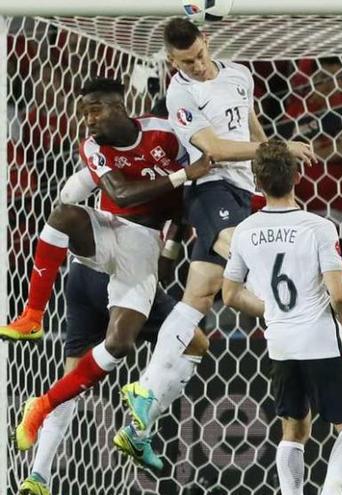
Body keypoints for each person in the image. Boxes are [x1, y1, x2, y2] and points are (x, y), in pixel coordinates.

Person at [116, 17, 316, 445]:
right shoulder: (181, 92)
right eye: (186, 62)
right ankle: (294, 312)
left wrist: (267, 170)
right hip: (210, 190)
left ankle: (144, 397)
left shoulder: (240, 73)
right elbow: (216, 149)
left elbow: (249, 125)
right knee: (244, 251)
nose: (198, 66)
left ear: (208, 41)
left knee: (198, 298)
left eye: (201, 56)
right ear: (172, 60)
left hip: (242, 190)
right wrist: (277, 148)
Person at [2, 78, 212, 467]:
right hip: (106, 233)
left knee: (120, 345)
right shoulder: (93, 146)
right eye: (84, 112)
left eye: (95, 109)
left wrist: (175, 234)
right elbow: (119, 195)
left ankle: (45, 407)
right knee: (64, 212)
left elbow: (180, 216)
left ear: (122, 106)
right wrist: (188, 174)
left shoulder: (164, 133)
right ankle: (32, 315)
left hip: (142, 247)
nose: (88, 119)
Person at [17, 165, 199, 493]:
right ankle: (138, 429)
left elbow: (72, 194)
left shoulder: (121, 162)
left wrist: (173, 235)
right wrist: (175, 231)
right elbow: (162, 270)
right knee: (193, 341)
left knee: (71, 378)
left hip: (82, 276)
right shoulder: (175, 186)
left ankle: (38, 475)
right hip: (123, 277)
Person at [222, 140, 342, 495]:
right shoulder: (318, 227)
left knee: (294, 430)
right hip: (320, 339)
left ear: (257, 181)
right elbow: (337, 293)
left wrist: (271, 310)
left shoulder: (244, 231)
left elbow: (229, 294)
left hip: (281, 344)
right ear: (297, 176)